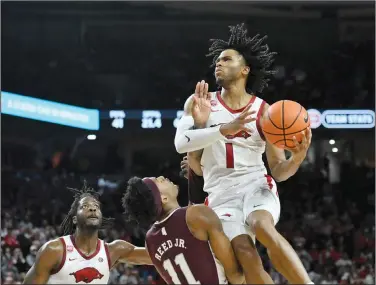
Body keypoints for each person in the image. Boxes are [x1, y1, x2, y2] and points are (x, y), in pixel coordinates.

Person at [174, 23, 313, 284]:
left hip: (255, 184)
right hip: (220, 194)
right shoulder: (199, 102)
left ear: (245, 69)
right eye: (217, 60)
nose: (218, 64)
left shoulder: (266, 112)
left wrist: (297, 158)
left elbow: (279, 171)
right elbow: (182, 144)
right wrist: (213, 127)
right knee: (245, 254)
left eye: (226, 59)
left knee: (262, 227)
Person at [122, 175, 247, 285]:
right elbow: (235, 277)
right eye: (157, 181)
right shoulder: (196, 214)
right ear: (164, 198)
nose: (161, 177)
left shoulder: (150, 241)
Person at [23, 183, 152, 284]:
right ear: (74, 218)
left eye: (96, 207)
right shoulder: (54, 250)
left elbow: (159, 257)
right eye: (84, 206)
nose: (92, 208)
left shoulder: (114, 251)